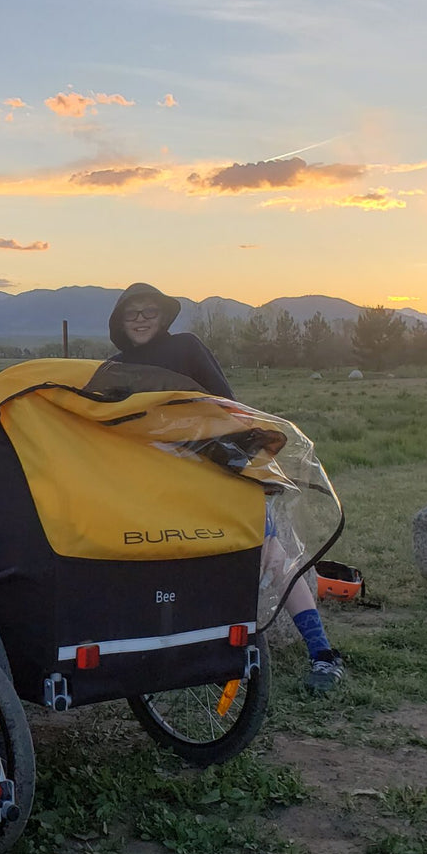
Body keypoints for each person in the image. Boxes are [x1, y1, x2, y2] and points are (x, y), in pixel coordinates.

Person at [109, 284, 345, 693]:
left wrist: (230, 457)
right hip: (156, 486)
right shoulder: (113, 368)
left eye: (150, 311)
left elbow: (227, 404)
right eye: (133, 313)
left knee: (271, 553)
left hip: (215, 471)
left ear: (164, 316)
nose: (142, 318)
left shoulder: (186, 347)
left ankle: (322, 653)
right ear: (120, 320)